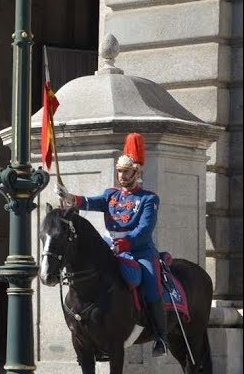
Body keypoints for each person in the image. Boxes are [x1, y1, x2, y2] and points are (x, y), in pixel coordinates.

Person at [57, 132, 168, 356]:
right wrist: (69, 197)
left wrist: (124, 245)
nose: (122, 176)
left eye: (126, 172)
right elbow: (89, 202)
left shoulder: (148, 199)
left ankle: (161, 337)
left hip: (139, 250)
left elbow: (144, 230)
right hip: (111, 245)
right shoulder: (111, 195)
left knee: (151, 286)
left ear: (137, 172)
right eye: (119, 171)